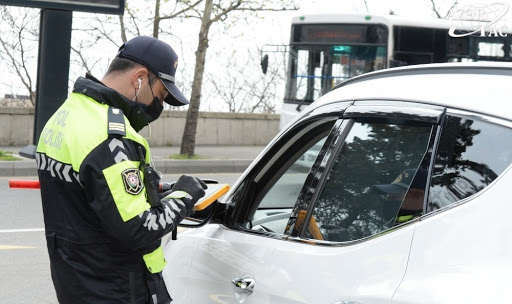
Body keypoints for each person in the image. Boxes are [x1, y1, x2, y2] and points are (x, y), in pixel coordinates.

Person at [36, 36, 207, 304]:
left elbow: (95, 197)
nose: (158, 106)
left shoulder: (66, 115)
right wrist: (185, 194)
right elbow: (140, 229)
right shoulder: (109, 137)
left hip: (76, 280)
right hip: (115, 288)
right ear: (140, 78)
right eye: (160, 95)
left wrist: (155, 191)